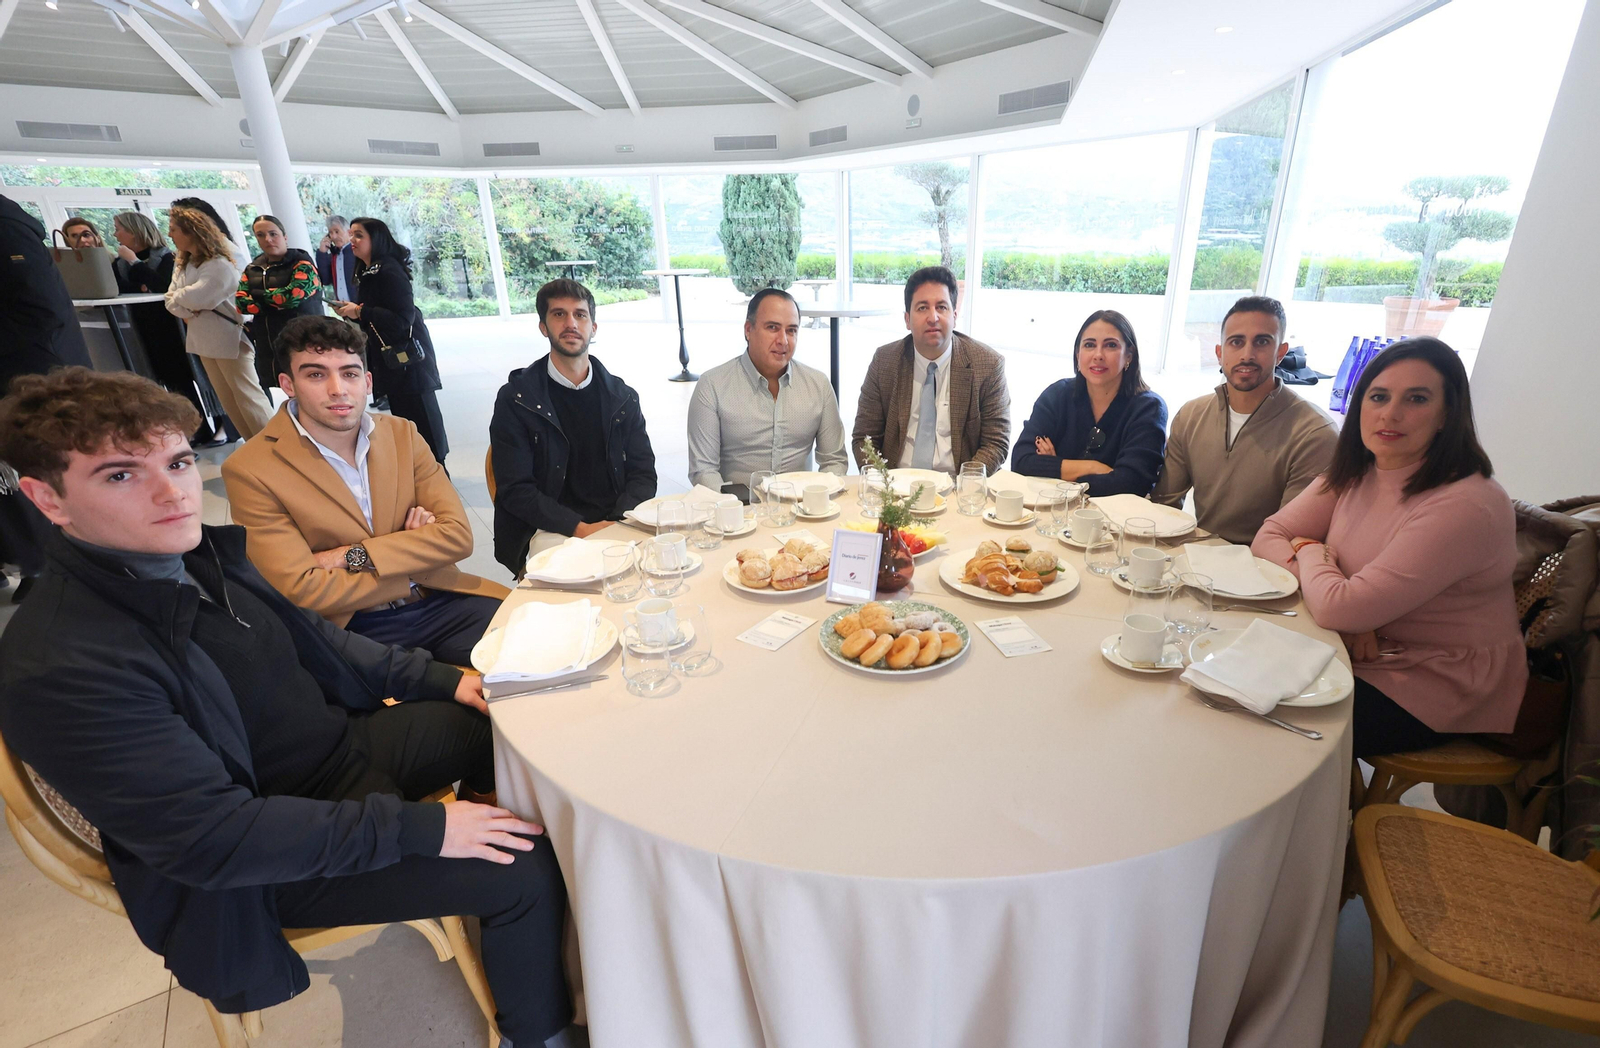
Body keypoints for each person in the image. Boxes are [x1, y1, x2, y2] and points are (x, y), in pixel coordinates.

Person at [0, 367, 579, 1048]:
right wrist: (426, 832)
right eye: (120, 475)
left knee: (503, 724)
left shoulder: (191, 557)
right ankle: (537, 1032)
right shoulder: (61, 662)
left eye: (180, 461)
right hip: (264, 862)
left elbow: (320, 641)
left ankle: (523, 923)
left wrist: (441, 681)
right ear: (48, 499)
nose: (173, 493)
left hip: (336, 756)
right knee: (522, 867)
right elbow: (216, 840)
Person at [1253, 338, 1525, 759]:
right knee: (1227, 672)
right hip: (1359, 645)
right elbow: (1268, 536)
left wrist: (1311, 550)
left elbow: (1337, 605)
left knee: (1259, 721)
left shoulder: (1465, 504)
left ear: (1446, 415)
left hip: (1433, 682)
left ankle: (1316, 824)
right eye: (1378, 396)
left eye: (1416, 399)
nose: (1391, 413)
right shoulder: (1360, 469)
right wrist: (1352, 609)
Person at [222, 315, 504, 663]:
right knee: (440, 706)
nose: (338, 389)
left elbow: (458, 537)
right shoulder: (250, 468)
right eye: (316, 374)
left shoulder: (403, 434)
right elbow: (300, 589)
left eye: (350, 373)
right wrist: (411, 555)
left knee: (545, 654)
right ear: (288, 383)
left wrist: (347, 557)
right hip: (350, 626)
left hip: (437, 597)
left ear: (367, 381)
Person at [489, 279, 656, 575]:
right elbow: (516, 490)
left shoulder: (622, 397)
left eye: (580, 315)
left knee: (663, 573)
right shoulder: (516, 399)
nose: (571, 323)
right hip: (550, 528)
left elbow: (643, 474)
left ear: (593, 327)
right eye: (558, 314)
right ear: (543, 327)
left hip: (616, 521)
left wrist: (616, 523)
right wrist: (580, 528)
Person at [1151, 296, 1339, 543]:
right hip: (1197, 558)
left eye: (1262, 342)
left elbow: (1292, 538)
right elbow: (1165, 504)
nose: (1247, 354)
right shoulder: (1191, 416)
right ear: (1220, 353)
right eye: (1236, 342)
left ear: (1281, 352)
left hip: (1268, 570)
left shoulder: (1315, 434)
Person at [1, 193, 92, 605]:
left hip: (30, 374)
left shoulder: (8, 227)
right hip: (25, 368)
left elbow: (41, 310)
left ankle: (48, 562)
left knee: (36, 468)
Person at [686, 288, 847, 496]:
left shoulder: (818, 385)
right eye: (772, 328)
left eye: (791, 330)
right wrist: (739, 509)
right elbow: (703, 470)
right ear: (748, 330)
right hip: (737, 513)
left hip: (801, 510)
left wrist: (816, 499)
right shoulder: (712, 386)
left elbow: (834, 461)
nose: (783, 340)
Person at [851, 265, 1011, 474]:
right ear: (907, 320)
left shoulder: (988, 365)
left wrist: (964, 486)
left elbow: (996, 443)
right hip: (896, 487)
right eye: (922, 307)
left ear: (954, 316)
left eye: (942, 307)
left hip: (958, 488)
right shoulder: (885, 362)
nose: (933, 317)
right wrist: (884, 487)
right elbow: (864, 438)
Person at [1010, 309, 1167, 495]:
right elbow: (1021, 462)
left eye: (1110, 345)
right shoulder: (1057, 395)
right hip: (1055, 515)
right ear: (1078, 355)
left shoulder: (1149, 408)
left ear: (1129, 356)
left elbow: (1132, 483)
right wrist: (1093, 467)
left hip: (1117, 520)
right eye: (1089, 345)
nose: (1098, 355)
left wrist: (1056, 470)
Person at [332, 217, 449, 466]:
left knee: (423, 427)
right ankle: (426, 475)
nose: (352, 240)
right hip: (392, 361)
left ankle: (439, 480)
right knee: (408, 425)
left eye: (359, 235)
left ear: (377, 239)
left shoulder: (388, 269)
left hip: (409, 360)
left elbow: (402, 318)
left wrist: (361, 311)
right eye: (351, 235)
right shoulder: (370, 271)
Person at [163, 205, 274, 439]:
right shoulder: (184, 262)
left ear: (191, 231)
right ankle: (255, 448)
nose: (169, 234)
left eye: (174, 229)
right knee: (229, 401)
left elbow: (200, 296)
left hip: (229, 338)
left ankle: (277, 447)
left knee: (248, 398)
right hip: (203, 339)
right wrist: (186, 301)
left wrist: (184, 300)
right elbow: (170, 300)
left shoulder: (221, 263)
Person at [238, 213, 324, 393]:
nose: (267, 239)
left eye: (273, 234)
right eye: (260, 235)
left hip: (306, 341)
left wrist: (259, 298)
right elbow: (241, 303)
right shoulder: (253, 268)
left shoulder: (302, 263)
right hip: (270, 343)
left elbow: (292, 296)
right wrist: (275, 300)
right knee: (287, 393)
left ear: (284, 236)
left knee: (313, 391)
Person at [316, 214, 360, 306]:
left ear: (349, 233)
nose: (333, 237)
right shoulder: (334, 255)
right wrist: (322, 253)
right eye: (330, 233)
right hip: (343, 309)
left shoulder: (357, 251)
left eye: (337, 232)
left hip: (360, 308)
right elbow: (326, 280)